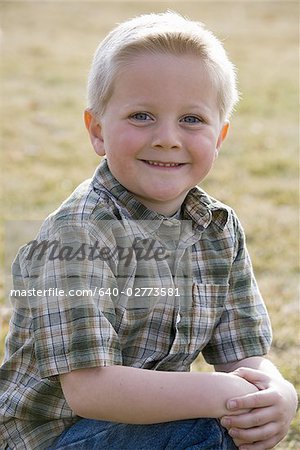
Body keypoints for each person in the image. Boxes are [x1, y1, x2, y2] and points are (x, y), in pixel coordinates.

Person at [0, 11, 297, 450]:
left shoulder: (217, 229)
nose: (167, 138)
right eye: (141, 116)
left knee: (233, 424)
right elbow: (90, 389)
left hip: (142, 428)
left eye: (192, 120)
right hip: (56, 435)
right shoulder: (77, 236)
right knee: (207, 429)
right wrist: (218, 395)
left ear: (220, 137)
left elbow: (242, 354)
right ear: (98, 131)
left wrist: (276, 391)